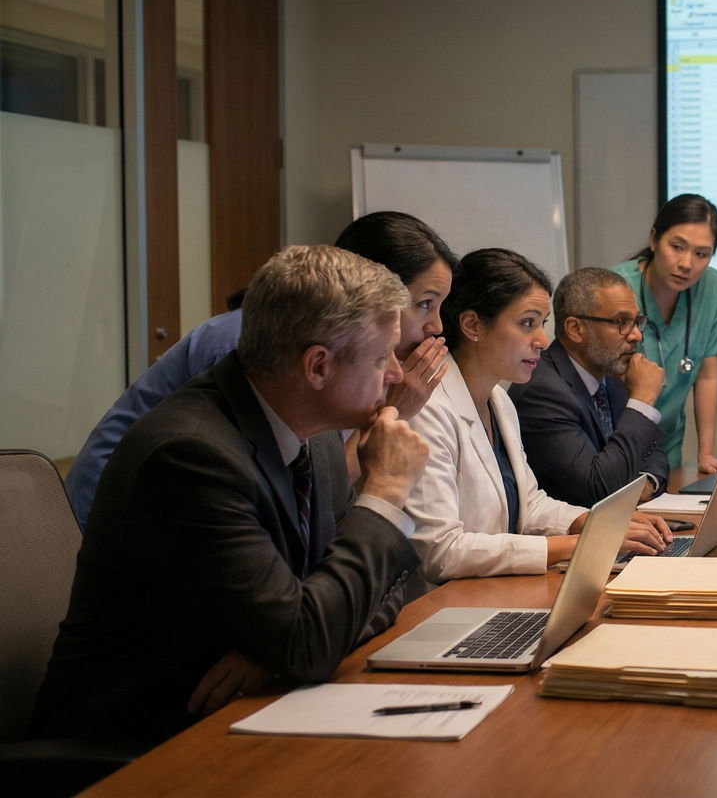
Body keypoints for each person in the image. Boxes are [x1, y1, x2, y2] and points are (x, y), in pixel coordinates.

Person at [33, 246, 430, 746]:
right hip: (145, 747)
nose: (397, 374)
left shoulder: (317, 433)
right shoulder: (191, 456)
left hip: (254, 715)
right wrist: (386, 493)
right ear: (318, 367)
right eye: (381, 358)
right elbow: (311, 638)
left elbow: (389, 588)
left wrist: (281, 644)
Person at [64, 210, 455, 526]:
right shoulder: (249, 342)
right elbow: (292, 504)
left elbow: (317, 503)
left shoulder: (349, 358)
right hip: (126, 518)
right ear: (374, 289)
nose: (436, 326)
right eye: (425, 303)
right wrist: (393, 422)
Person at [405, 249, 672, 583]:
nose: (543, 341)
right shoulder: (427, 408)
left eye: (542, 324)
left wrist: (597, 522)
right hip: (440, 606)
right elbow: (440, 553)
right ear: (473, 325)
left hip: (491, 593)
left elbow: (531, 505)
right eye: (527, 323)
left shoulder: (498, 400)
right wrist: (575, 545)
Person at [509, 268, 670, 507]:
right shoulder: (542, 392)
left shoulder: (611, 375)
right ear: (575, 329)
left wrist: (646, 482)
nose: (636, 335)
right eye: (621, 322)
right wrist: (643, 399)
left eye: (636, 322)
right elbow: (599, 489)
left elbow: (652, 453)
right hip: (564, 537)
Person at [613, 194, 717, 473]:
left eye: (701, 254)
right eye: (677, 247)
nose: (687, 263)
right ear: (653, 239)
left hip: (666, 445)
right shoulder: (615, 289)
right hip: (614, 441)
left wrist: (705, 454)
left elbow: (708, 375)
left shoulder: (712, 288)